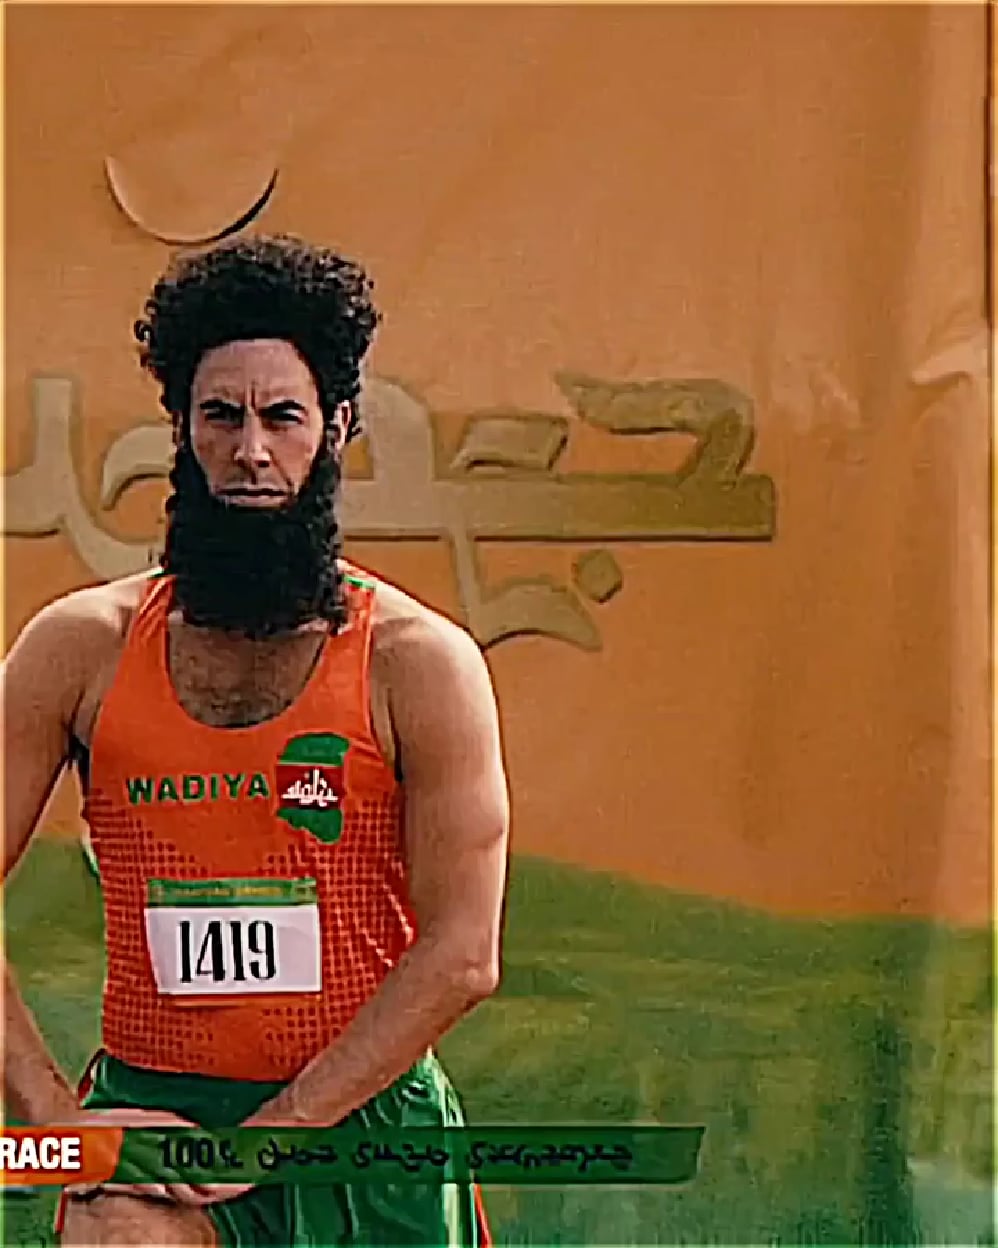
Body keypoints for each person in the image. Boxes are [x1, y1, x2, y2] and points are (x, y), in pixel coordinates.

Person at [2, 235, 510, 1246]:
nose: (250, 452)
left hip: (364, 1137)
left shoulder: (419, 662)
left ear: (337, 428)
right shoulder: (79, 648)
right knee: (115, 1233)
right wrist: (57, 1120)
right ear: (180, 428)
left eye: (282, 417)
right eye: (221, 417)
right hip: (155, 1123)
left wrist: (271, 1138)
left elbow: (462, 956)